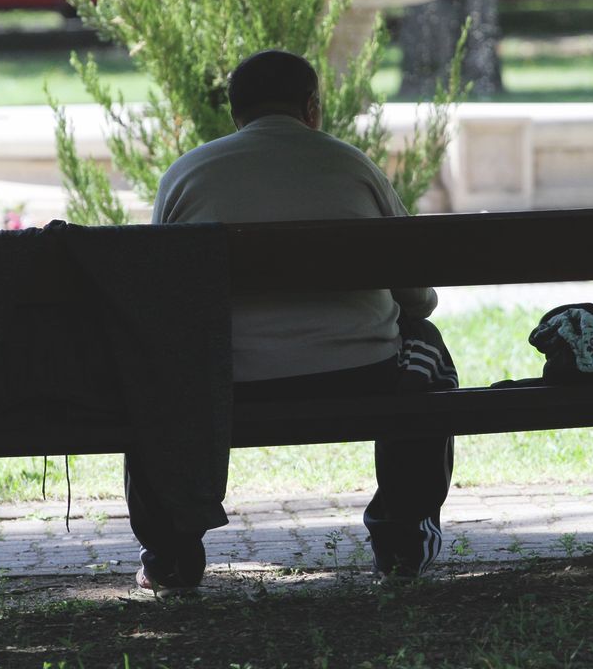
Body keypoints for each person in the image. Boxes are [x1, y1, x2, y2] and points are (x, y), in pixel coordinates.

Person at [126, 49, 455, 597]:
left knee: (159, 377)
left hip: (226, 384)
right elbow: (416, 299)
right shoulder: (352, 165)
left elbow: (167, 310)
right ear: (312, 108)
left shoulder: (187, 174)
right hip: (362, 373)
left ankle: (171, 556)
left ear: (235, 113)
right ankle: (402, 541)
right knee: (427, 348)